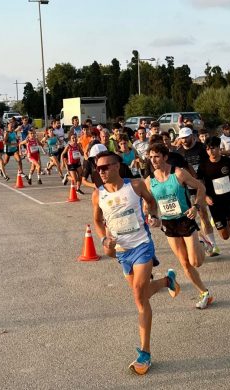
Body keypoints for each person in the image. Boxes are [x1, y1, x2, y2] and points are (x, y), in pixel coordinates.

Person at [91, 151, 179, 375]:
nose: (101, 171)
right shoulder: (97, 194)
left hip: (141, 245)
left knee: (139, 297)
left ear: (117, 166)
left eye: (105, 167)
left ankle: (145, 353)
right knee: (144, 293)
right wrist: (104, 239)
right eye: (98, 168)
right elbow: (97, 221)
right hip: (122, 252)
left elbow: (151, 202)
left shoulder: (136, 185)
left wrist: (153, 215)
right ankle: (167, 281)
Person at [146, 143, 214, 309]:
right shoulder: (150, 180)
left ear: (165, 157)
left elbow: (200, 187)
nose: (153, 160)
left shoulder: (178, 173)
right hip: (169, 224)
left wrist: (196, 207)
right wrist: (152, 216)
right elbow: (150, 203)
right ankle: (204, 293)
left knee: (195, 262)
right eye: (151, 157)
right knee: (184, 263)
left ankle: (202, 243)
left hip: (185, 218)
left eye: (156, 156)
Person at [197, 136, 230, 274]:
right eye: (208, 149)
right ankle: (208, 238)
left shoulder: (227, 161)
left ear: (219, 148)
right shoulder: (203, 165)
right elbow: (200, 183)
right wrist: (206, 196)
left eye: (213, 148)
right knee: (225, 235)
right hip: (215, 204)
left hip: (229, 201)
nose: (211, 151)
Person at [176, 127, 220, 256]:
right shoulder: (179, 153)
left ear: (192, 137)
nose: (184, 140)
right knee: (190, 218)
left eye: (187, 137)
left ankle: (213, 245)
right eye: (182, 138)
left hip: (202, 185)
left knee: (203, 215)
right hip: (186, 189)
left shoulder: (202, 148)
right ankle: (204, 241)